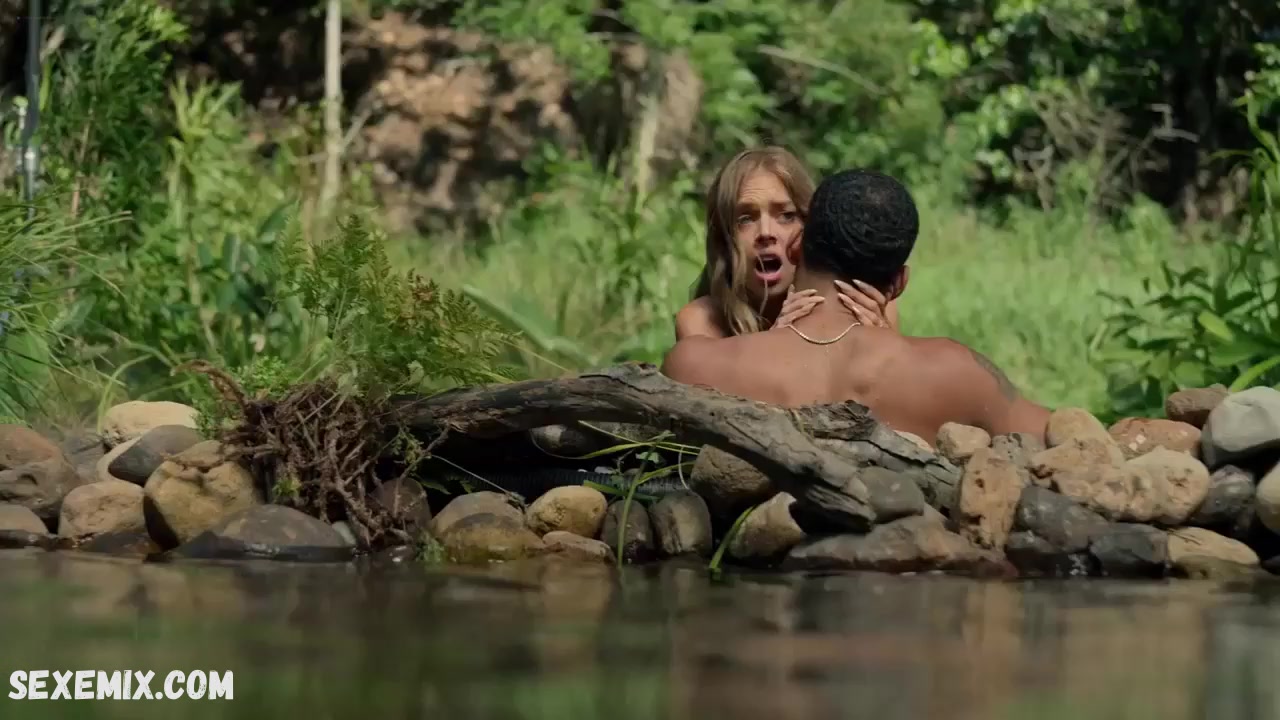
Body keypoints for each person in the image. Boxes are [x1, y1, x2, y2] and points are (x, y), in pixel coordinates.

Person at [661, 168, 1051, 443]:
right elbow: (1063, 435)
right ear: (899, 282)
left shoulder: (693, 363)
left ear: (796, 246)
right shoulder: (959, 373)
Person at [675, 147, 898, 340]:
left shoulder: (866, 304)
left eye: (786, 216)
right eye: (745, 219)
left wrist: (884, 345)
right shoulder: (702, 321)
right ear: (723, 241)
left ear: (812, 228)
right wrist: (775, 344)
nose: (765, 233)